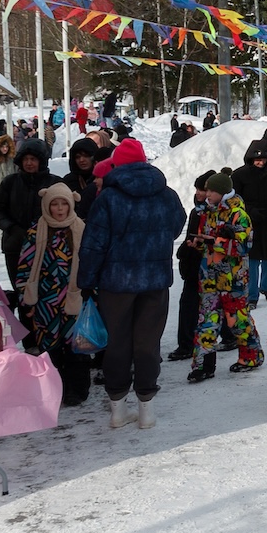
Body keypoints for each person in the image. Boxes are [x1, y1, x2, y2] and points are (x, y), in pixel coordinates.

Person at [77, 137, 186, 429]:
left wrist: (86, 282)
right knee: (148, 344)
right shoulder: (167, 194)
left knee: (117, 344)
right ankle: (147, 409)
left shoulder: (109, 198)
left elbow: (93, 244)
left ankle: (117, 409)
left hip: (116, 284)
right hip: (155, 282)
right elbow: (177, 225)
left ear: (118, 165)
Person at [16, 184, 91, 407]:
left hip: (74, 297)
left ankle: (76, 390)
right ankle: (55, 389)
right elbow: (25, 266)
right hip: (45, 301)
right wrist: (25, 298)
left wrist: (92, 294)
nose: (59, 209)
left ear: (71, 204)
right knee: (50, 347)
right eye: (54, 204)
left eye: (64, 204)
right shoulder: (36, 231)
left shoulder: (81, 229)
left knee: (77, 346)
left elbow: (90, 264)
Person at [186, 171, 261, 381]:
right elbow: (206, 239)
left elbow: (244, 246)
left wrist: (215, 242)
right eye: (206, 189)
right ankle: (203, 366)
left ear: (222, 192)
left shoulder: (239, 215)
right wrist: (197, 243)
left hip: (233, 279)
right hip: (209, 277)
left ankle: (251, 357)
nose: (206, 194)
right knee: (206, 322)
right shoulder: (207, 213)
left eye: (211, 190)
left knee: (237, 321)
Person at [0, 138, 66, 320]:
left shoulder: (55, 183)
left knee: (48, 291)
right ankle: (29, 340)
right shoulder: (10, 182)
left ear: (41, 160)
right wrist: (11, 227)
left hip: (48, 248)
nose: (29, 163)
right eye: (26, 159)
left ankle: (48, 334)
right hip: (15, 245)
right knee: (23, 292)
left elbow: (65, 211)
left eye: (33, 159)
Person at [232, 140, 267, 304]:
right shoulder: (239, 175)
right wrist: (249, 211)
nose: (260, 162)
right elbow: (235, 199)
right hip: (249, 221)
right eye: (257, 159)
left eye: (264, 159)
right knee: (253, 258)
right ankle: (252, 295)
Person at [167, 171, 212, 364]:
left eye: (202, 189)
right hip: (193, 265)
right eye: (197, 189)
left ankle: (189, 345)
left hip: (205, 266)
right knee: (192, 305)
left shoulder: (211, 212)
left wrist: (194, 246)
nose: (198, 193)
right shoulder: (197, 211)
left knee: (202, 306)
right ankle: (187, 344)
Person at [65, 137, 100, 220]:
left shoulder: (102, 179)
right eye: (77, 157)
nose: (81, 160)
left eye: (86, 156)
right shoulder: (69, 181)